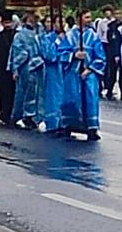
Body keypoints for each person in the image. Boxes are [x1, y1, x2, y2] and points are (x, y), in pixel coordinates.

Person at [59, 10, 106, 140]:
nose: (89, 19)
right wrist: (73, 55)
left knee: (90, 99)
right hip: (73, 72)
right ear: (79, 19)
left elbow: (101, 56)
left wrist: (89, 69)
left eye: (90, 17)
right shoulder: (69, 36)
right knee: (72, 99)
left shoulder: (93, 36)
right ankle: (70, 125)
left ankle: (91, 128)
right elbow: (61, 53)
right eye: (86, 17)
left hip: (89, 72)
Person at [8, 12, 43, 129]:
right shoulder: (20, 34)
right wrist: (15, 68)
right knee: (25, 91)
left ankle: (36, 115)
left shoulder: (41, 31)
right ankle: (24, 115)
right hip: (26, 67)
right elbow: (17, 52)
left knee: (38, 91)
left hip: (40, 67)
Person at [0, 14, 17, 126]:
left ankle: (12, 114)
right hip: (1, 70)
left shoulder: (17, 35)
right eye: (6, 23)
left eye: (9, 22)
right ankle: (4, 114)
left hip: (14, 70)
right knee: (3, 93)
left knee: (14, 93)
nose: (8, 25)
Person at [39, 16, 65, 134]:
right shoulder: (47, 38)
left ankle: (66, 122)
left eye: (63, 21)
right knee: (53, 97)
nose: (61, 24)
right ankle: (53, 123)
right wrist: (58, 42)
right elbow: (48, 55)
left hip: (66, 71)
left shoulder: (69, 37)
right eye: (59, 22)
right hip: (53, 72)